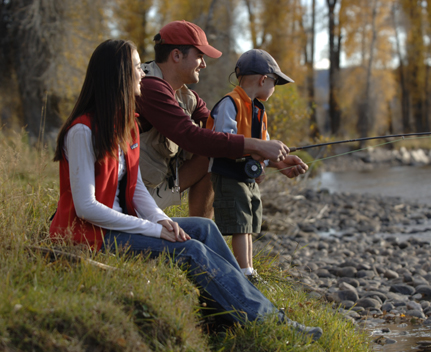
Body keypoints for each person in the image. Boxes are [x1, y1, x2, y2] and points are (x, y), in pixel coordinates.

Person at [49, 39, 322, 341]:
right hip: (91, 235)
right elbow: (86, 207)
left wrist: (161, 220)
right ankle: (271, 323)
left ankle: (236, 311)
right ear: (118, 75)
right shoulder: (83, 131)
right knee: (190, 250)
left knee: (204, 229)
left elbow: (136, 187)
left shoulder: (126, 127)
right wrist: (154, 230)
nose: (142, 72)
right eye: (137, 67)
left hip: (121, 223)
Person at [136, 21, 303, 218]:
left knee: (217, 148)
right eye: (199, 56)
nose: (204, 64)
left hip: (153, 188)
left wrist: (272, 160)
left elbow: (220, 136)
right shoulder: (149, 87)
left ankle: (201, 230)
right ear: (176, 55)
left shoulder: (186, 96)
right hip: (134, 198)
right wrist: (257, 146)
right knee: (213, 151)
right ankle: (201, 231)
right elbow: (192, 137)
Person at [206, 49, 308, 281]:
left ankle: (250, 268)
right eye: (275, 82)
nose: (274, 88)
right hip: (229, 175)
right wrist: (257, 153)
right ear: (264, 79)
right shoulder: (229, 104)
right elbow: (223, 142)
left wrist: (282, 164)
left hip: (247, 178)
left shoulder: (259, 111)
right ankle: (244, 272)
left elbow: (262, 150)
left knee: (250, 222)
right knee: (240, 223)